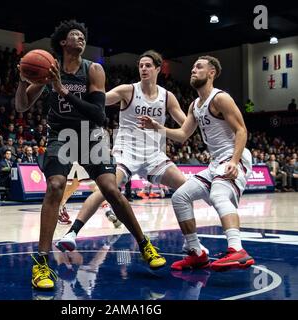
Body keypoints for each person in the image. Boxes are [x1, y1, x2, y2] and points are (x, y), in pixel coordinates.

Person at [15, 20, 166, 290]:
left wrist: (62, 90)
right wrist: (23, 81)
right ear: (62, 42)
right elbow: (22, 106)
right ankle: (41, 263)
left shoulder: (93, 69)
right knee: (55, 186)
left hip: (90, 133)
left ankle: (145, 245)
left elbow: (98, 114)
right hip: (60, 134)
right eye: (74, 35)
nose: (80, 39)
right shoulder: (48, 70)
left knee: (110, 187)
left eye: (83, 36)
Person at [56, 50, 192, 254]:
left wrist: (196, 111)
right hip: (126, 152)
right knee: (105, 189)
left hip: (154, 154)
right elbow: (99, 99)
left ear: (157, 68)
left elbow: (185, 126)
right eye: (141, 65)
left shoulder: (167, 97)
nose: (143, 69)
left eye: (148, 65)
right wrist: (71, 91)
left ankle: (192, 243)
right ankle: (72, 233)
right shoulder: (127, 91)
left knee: (187, 189)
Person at [139, 55, 255, 272]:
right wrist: (157, 127)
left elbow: (241, 130)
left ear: (211, 73)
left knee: (218, 195)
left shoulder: (221, 98)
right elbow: (183, 134)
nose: (193, 70)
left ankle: (237, 250)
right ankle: (196, 252)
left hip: (233, 157)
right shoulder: (195, 105)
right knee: (180, 196)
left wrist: (234, 161)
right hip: (215, 163)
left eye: (199, 67)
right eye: (192, 67)